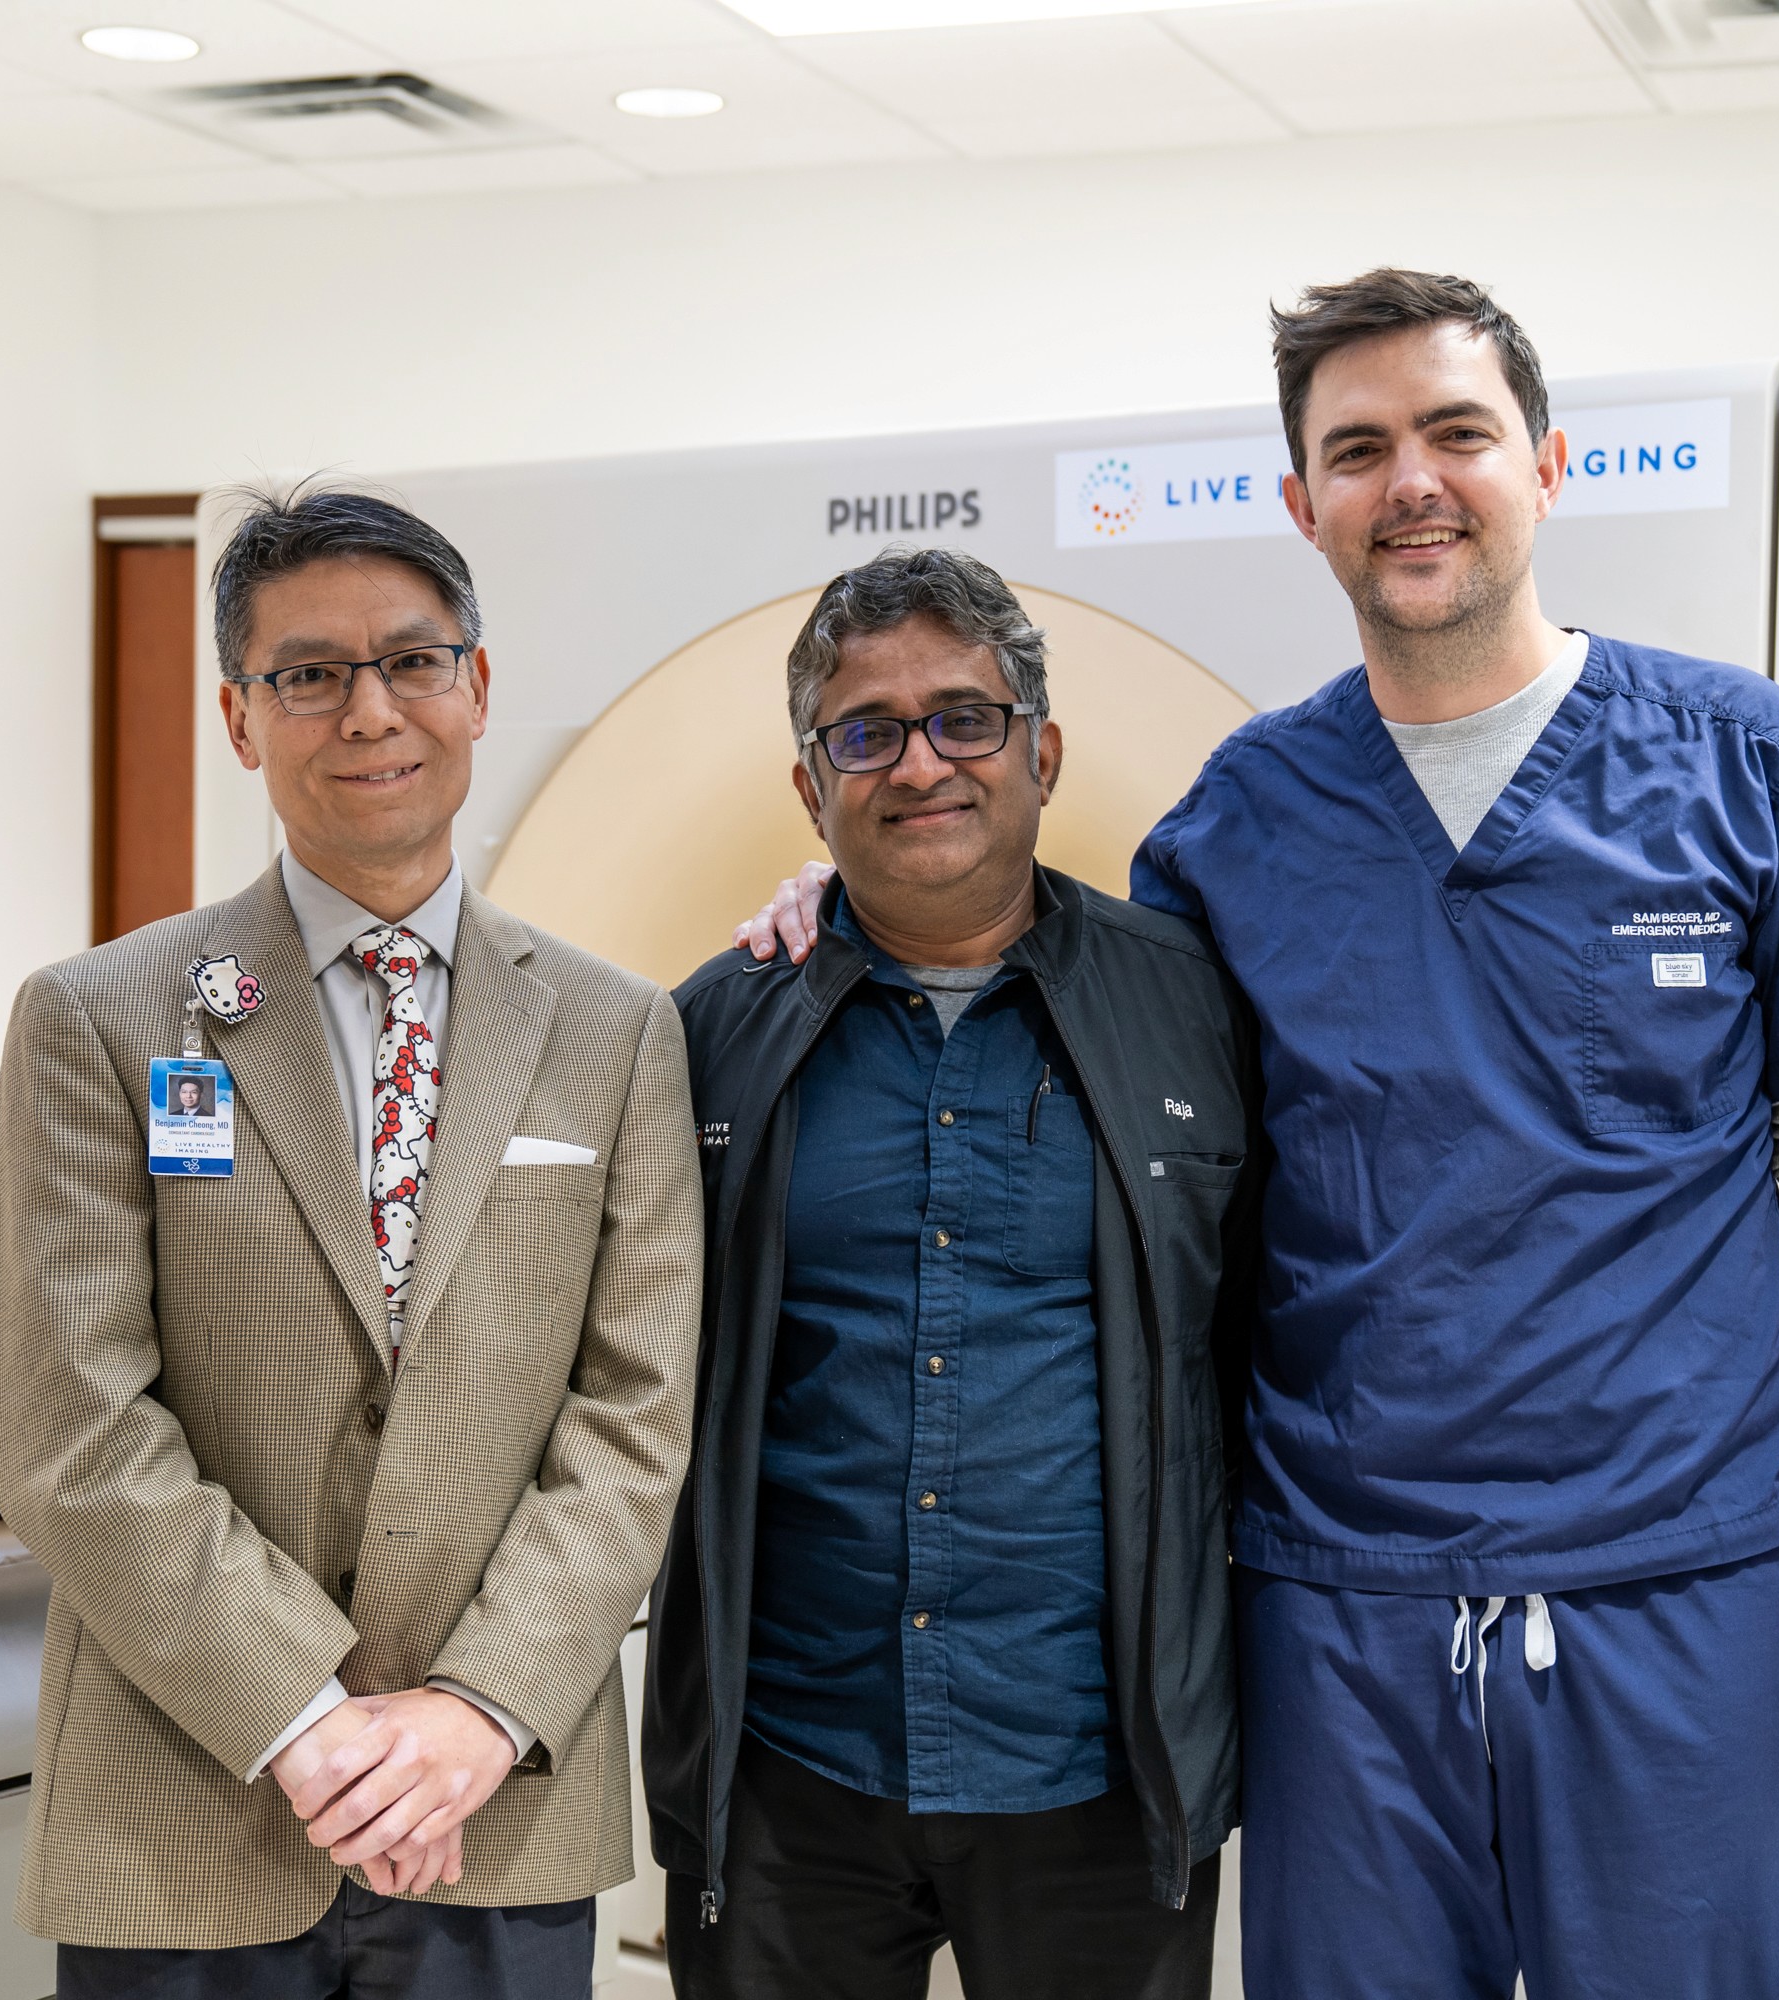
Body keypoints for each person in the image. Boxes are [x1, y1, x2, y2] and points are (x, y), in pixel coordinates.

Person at [738, 270, 1779, 1998]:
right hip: (1339, 1604)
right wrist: (846, 891)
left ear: (1549, 462)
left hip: (1682, 1577)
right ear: (1303, 506)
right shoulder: (1240, 823)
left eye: (1459, 433)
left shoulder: (1740, 762)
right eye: (1359, 450)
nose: (1414, 483)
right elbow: (1055, 995)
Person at [0, 485, 702, 2000]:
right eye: (309, 674)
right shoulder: (104, 1019)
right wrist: (302, 1718)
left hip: (491, 1802)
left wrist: (473, 1714)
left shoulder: (615, 1031)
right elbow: (71, 1432)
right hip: (191, 1800)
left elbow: (634, 1424)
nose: (368, 710)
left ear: (477, 687)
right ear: (242, 719)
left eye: (412, 661)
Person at [648, 547, 1260, 2000]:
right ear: (812, 786)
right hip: (790, 1766)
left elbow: (1267, 1335)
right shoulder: (708, 1036)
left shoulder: (1200, 1010)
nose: (920, 762)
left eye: (965, 719)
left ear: (1041, 751)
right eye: (867, 731)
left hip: (1100, 1771)